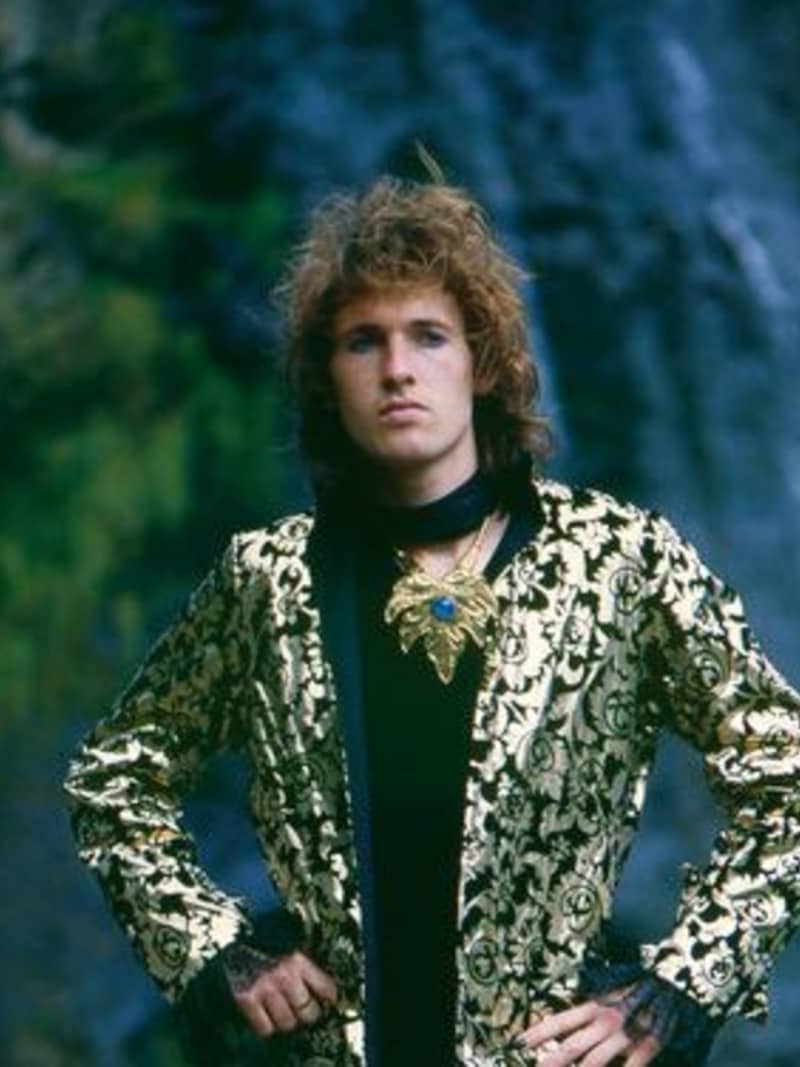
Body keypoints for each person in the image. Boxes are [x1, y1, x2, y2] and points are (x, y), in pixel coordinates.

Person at [64, 173, 800, 1067]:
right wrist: (213, 952)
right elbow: (113, 779)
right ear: (325, 377)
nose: (397, 369)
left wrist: (680, 988)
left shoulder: (619, 558)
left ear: (482, 362)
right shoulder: (267, 579)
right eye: (361, 342)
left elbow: (787, 776)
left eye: (428, 336)